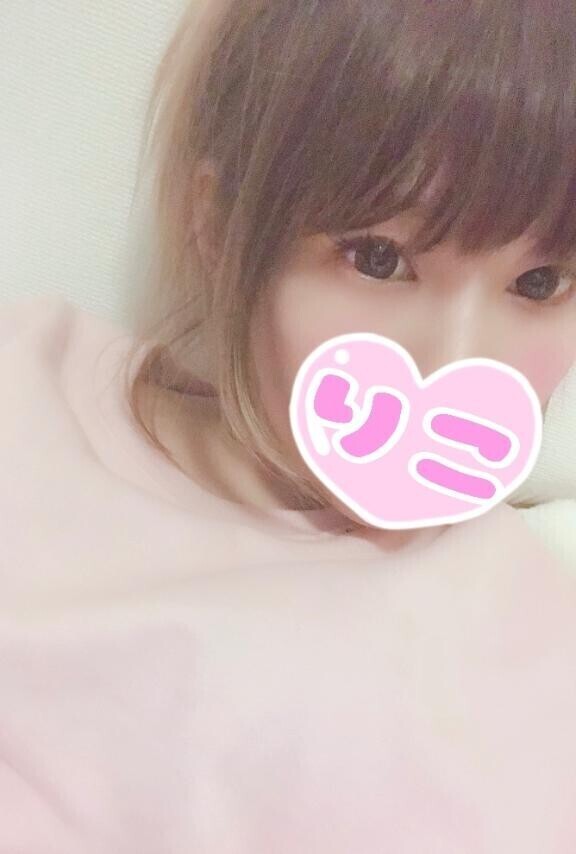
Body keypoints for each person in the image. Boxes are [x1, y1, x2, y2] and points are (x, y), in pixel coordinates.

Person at [3, 0, 576, 849]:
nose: (455, 365)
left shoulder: (529, 647)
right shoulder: (28, 377)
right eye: (379, 258)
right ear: (217, 223)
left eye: (539, 284)